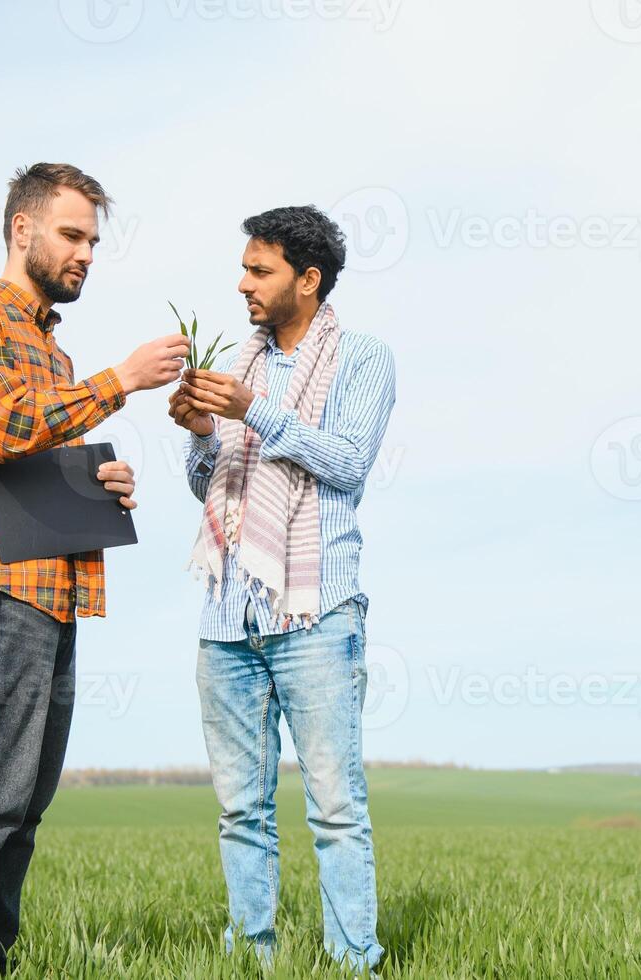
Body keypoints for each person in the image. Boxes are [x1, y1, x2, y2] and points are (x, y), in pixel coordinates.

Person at [0, 162, 189, 978]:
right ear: (22, 230)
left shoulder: (53, 357)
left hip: (51, 595)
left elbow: (33, 461)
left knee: (23, 808)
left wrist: (98, 484)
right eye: (72, 235)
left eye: (94, 241)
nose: (86, 255)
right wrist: (122, 382)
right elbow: (1, 428)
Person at [168, 205, 396, 973]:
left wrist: (251, 412)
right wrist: (201, 430)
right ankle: (252, 961)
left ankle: (352, 961)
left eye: (259, 271)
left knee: (334, 810)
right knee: (240, 811)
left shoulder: (363, 358)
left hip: (316, 614)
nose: (242, 285)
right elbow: (209, 484)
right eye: (242, 268)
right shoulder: (239, 365)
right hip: (227, 615)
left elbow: (347, 463)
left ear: (309, 278)